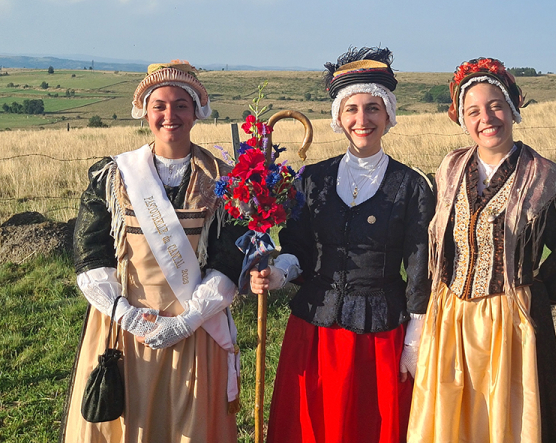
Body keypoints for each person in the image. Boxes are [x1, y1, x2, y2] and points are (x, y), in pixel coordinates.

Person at [250, 47, 435, 443]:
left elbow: (421, 268)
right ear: (338, 117)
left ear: (388, 116)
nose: (362, 119)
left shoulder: (412, 186)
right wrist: (278, 274)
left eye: (372, 108)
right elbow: (296, 248)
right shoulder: (311, 180)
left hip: (380, 338)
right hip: (314, 333)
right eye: (352, 109)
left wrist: (414, 343)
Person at [60, 60, 245, 443]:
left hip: (196, 329)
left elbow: (230, 257)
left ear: (196, 111)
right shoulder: (113, 176)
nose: (170, 115)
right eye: (159, 105)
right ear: (144, 111)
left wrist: (187, 320)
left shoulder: (225, 179)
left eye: (181, 104)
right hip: (126, 330)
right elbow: (91, 254)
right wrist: (129, 316)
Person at [407, 58, 556, 443]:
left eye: (495, 106)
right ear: (461, 118)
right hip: (450, 317)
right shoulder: (449, 169)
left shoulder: (548, 179)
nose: (486, 118)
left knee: (507, 419)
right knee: (454, 414)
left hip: (510, 321)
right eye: (473, 110)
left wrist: (532, 296)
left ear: (512, 109)